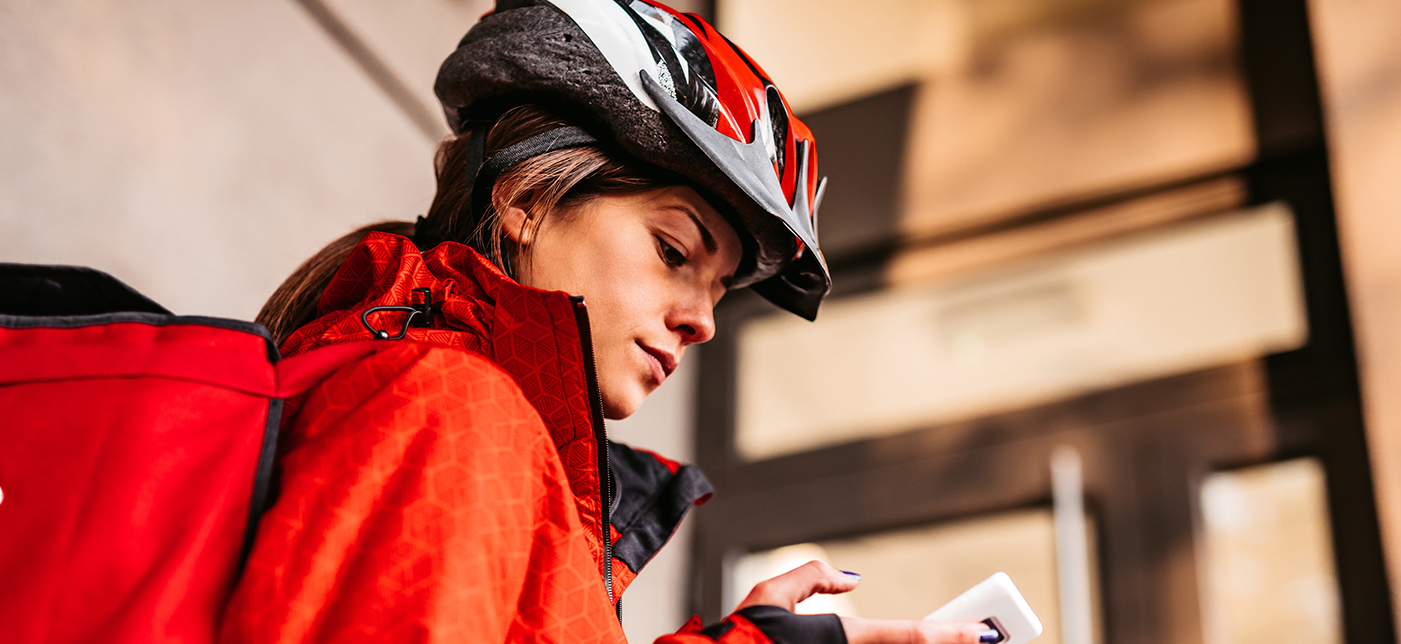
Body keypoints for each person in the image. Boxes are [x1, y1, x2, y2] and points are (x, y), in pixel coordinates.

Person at [220, 1, 990, 642]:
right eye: (672, 250)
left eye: (720, 288)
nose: (703, 322)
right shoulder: (452, 411)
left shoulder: (497, 443)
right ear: (526, 202)